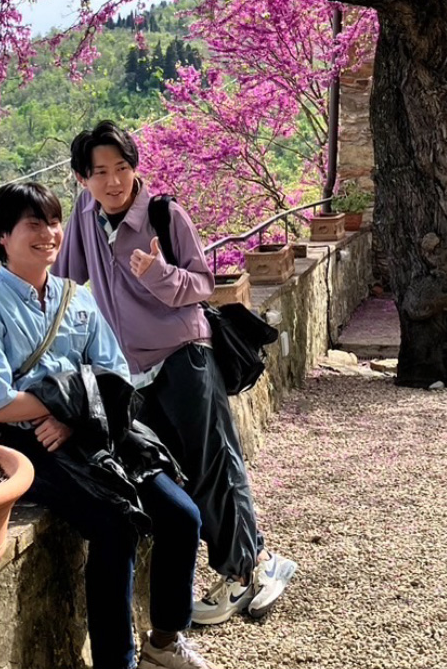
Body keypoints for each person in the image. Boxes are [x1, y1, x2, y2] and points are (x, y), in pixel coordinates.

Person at [0, 181, 214, 669]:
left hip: (85, 430)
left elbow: (113, 376)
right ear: (1, 236)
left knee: (182, 514)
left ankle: (165, 637)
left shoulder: (77, 300)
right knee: (115, 524)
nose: (49, 234)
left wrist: (72, 415)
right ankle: (118, 661)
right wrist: (65, 405)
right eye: (34, 225)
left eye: (54, 222)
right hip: (24, 443)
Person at [54, 120, 297, 625]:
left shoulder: (165, 214)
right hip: (131, 368)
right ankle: (257, 561)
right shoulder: (85, 214)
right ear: (82, 179)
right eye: (100, 172)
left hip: (184, 355)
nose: (114, 181)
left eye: (122, 167)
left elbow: (204, 284)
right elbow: (68, 279)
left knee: (212, 462)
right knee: (176, 472)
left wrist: (157, 274)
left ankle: (242, 569)